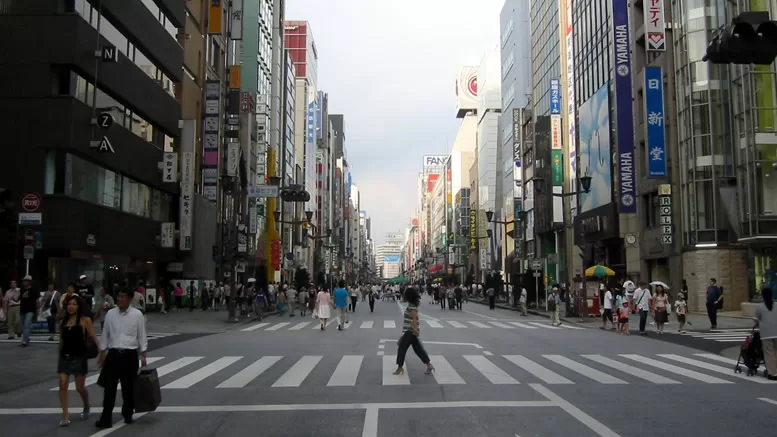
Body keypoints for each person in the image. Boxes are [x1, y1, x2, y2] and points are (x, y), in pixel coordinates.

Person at [95, 288, 148, 429]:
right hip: (113, 353)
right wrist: (102, 352)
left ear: (130, 299)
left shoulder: (137, 315)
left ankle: (128, 413)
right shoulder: (111, 314)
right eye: (118, 296)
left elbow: (141, 334)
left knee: (128, 387)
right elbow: (105, 333)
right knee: (109, 388)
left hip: (129, 354)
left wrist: (143, 354)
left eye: (123, 296)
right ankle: (106, 417)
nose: (120, 299)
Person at [57, 292, 101, 426]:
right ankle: (65, 415)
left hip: (79, 357)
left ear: (78, 307)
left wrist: (101, 352)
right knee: (63, 383)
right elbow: (61, 339)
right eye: (69, 304)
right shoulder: (63, 321)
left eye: (74, 304)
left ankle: (86, 405)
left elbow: (93, 337)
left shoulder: (84, 320)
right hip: (64, 357)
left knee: (80, 388)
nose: (71, 307)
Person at [393, 287, 434, 376]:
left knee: (401, 349)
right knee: (418, 350)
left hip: (410, 331)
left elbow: (414, 319)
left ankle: (399, 368)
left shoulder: (412, 307)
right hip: (410, 331)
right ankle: (429, 365)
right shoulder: (412, 305)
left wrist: (415, 330)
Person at [754, 286, 777, 380]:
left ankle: (772, 373)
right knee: (776, 352)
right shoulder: (776, 305)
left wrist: (758, 323)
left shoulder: (760, 307)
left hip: (766, 334)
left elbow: (755, 319)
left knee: (769, 353)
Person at [19, 275, 40, 347]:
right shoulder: (22, 289)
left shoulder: (34, 289)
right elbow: (19, 298)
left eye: (26, 281)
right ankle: (27, 338)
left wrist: (37, 309)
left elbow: (37, 300)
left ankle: (24, 340)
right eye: (24, 281)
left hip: (30, 309)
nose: (24, 282)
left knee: (27, 324)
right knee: (23, 326)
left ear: (29, 282)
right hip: (22, 309)